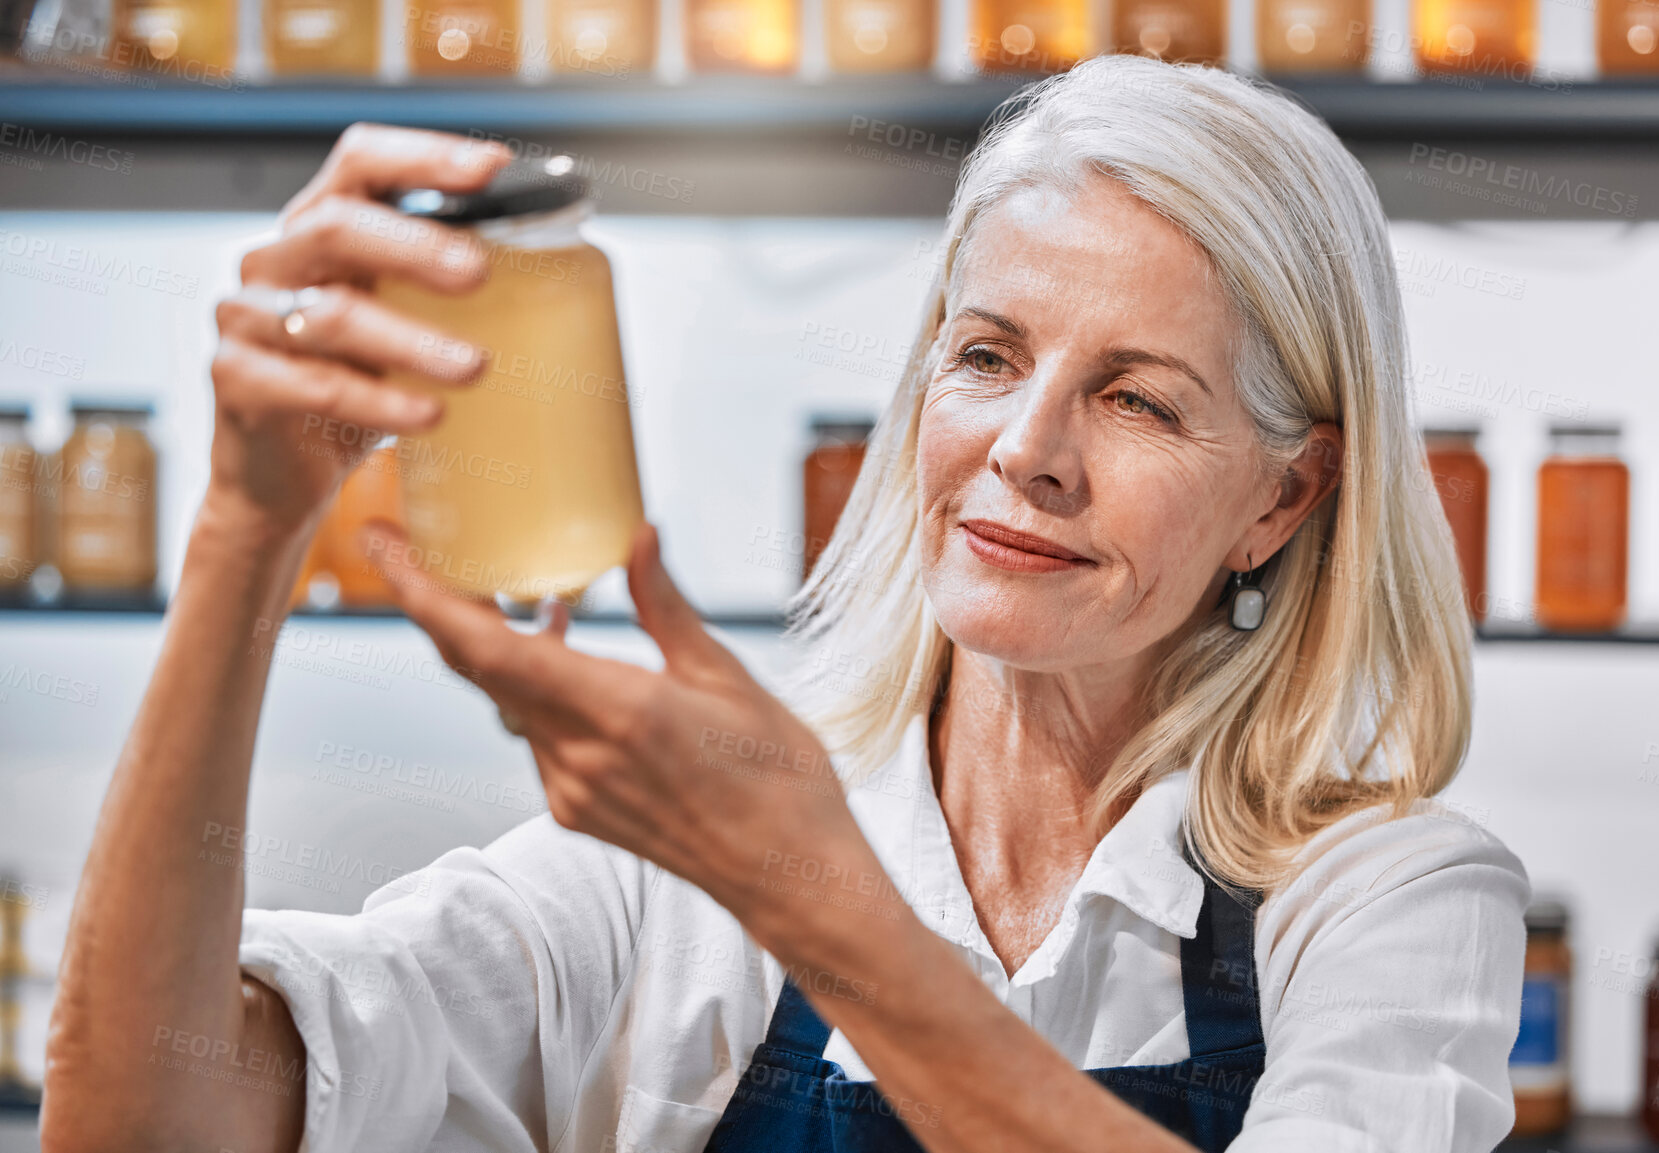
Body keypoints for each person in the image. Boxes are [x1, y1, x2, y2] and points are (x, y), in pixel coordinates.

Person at [41, 54, 1527, 1153]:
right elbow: (139, 1120)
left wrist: (811, 901)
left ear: (1284, 494)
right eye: (989, 356)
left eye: (1136, 399)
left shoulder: (1383, 900)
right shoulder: (674, 873)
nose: (1026, 452)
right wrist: (248, 531)